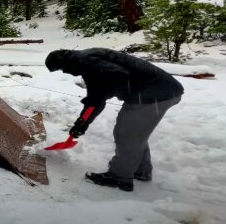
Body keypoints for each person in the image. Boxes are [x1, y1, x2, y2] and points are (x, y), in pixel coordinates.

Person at [45, 48, 184, 192]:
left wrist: (100, 95)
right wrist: (83, 121)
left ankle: (119, 177)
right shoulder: (87, 59)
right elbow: (97, 97)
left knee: (126, 133)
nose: (64, 72)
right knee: (136, 133)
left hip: (153, 93)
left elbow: (116, 78)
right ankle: (140, 171)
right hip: (162, 90)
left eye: (61, 68)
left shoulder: (88, 62)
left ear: (66, 62)